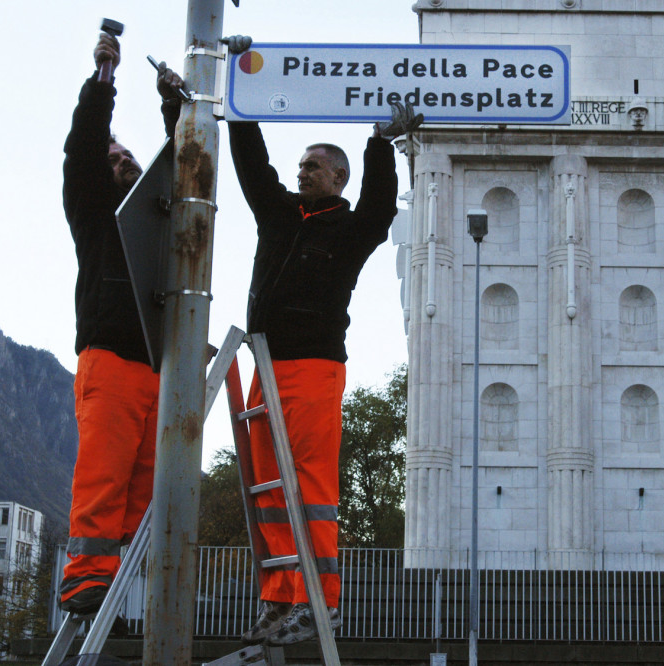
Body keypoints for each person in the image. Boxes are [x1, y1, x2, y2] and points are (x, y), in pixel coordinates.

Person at [227, 99, 420, 645]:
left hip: (313, 367)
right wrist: (242, 109)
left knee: (309, 487)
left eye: (312, 166)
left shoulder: (351, 230)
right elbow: (254, 169)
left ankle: (321, 603)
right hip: (264, 364)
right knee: (268, 490)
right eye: (301, 166)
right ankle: (281, 596)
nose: (300, 172)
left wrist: (379, 144)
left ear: (338, 177)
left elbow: (381, 208)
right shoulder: (280, 214)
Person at [58, 30, 183, 615]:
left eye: (128, 155)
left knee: (145, 488)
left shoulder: (155, 217)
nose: (124, 161)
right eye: (115, 160)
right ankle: (86, 578)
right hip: (108, 357)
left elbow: (183, 168)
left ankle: (128, 585)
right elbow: (82, 150)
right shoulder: (94, 212)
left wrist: (172, 106)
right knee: (104, 478)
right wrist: (104, 76)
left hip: (159, 361)